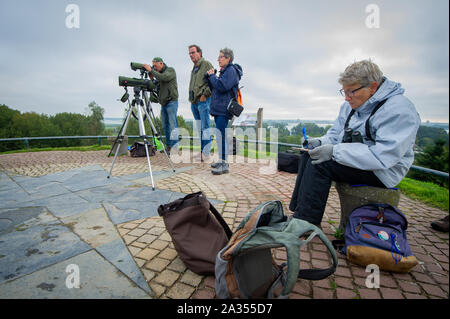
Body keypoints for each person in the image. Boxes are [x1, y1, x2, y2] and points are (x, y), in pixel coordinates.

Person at [289, 59, 421, 227]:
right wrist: (319, 142)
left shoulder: (399, 109)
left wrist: (333, 152)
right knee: (310, 154)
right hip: (358, 159)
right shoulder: (350, 106)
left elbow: (383, 157)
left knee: (321, 164)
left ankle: (305, 223)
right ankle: (298, 211)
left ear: (372, 87)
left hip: (383, 171)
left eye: (351, 91)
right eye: (344, 91)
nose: (346, 98)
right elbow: (336, 135)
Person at [206, 48, 243, 175]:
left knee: (221, 136)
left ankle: (224, 164)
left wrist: (212, 76)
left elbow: (222, 87)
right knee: (219, 136)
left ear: (228, 58)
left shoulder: (231, 71)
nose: (218, 59)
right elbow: (215, 88)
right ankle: (222, 161)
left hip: (223, 109)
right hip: (219, 108)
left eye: (221, 57)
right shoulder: (224, 71)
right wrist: (209, 78)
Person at [143, 57, 179, 154]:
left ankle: (175, 147)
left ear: (161, 63)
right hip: (164, 103)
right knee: (165, 126)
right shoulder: (158, 74)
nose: (154, 68)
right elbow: (157, 85)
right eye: (153, 66)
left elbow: (164, 77)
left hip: (172, 102)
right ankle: (168, 146)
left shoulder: (170, 70)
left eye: (155, 66)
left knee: (172, 125)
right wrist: (152, 78)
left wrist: (151, 70)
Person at [188, 45, 213, 162]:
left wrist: (204, 95)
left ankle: (206, 153)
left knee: (205, 127)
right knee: (200, 128)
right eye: (190, 53)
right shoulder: (194, 68)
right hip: (194, 102)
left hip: (203, 100)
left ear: (200, 53)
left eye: (193, 52)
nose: (191, 55)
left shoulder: (206, 64)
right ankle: (203, 151)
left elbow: (212, 82)